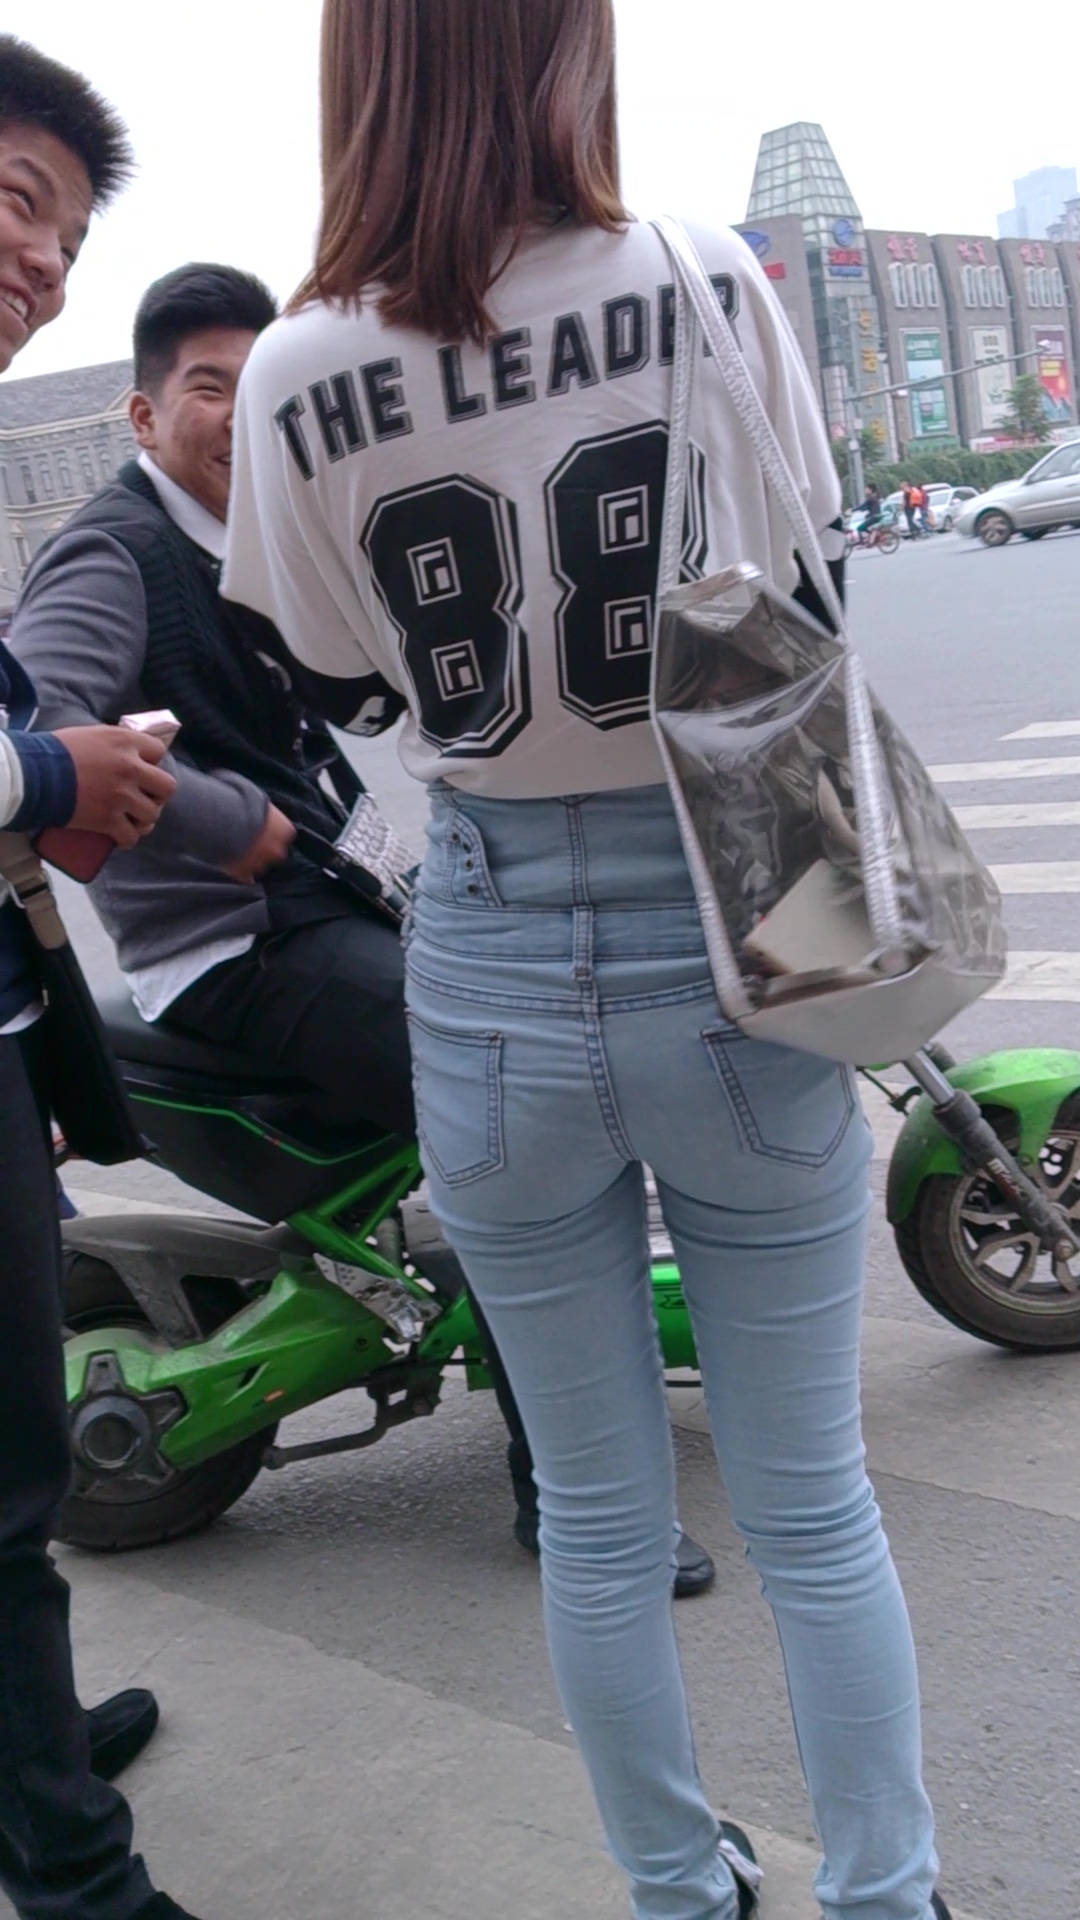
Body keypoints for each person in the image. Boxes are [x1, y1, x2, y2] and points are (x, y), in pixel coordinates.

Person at [222, 4, 961, 1917]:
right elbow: (799, 584)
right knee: (812, 1506)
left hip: (484, 958)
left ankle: (677, 1890)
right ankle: (886, 1894)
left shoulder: (297, 365)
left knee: (600, 1520)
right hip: (736, 920)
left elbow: (334, 677)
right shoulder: (699, 276)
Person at [13, 260, 714, 1599]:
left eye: (257, 390)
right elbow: (43, 730)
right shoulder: (117, 552)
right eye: (207, 387)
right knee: (519, 1128)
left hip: (329, 903)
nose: (237, 416)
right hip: (239, 947)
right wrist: (230, 820)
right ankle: (573, 1500)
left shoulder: (255, 545)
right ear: (146, 414)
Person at [0, 36, 204, 1920]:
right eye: (14, 205)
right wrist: (58, 778)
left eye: (62, 236)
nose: (38, 263)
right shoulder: (115, 545)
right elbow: (47, 734)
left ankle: (36, 1761)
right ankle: (77, 1879)